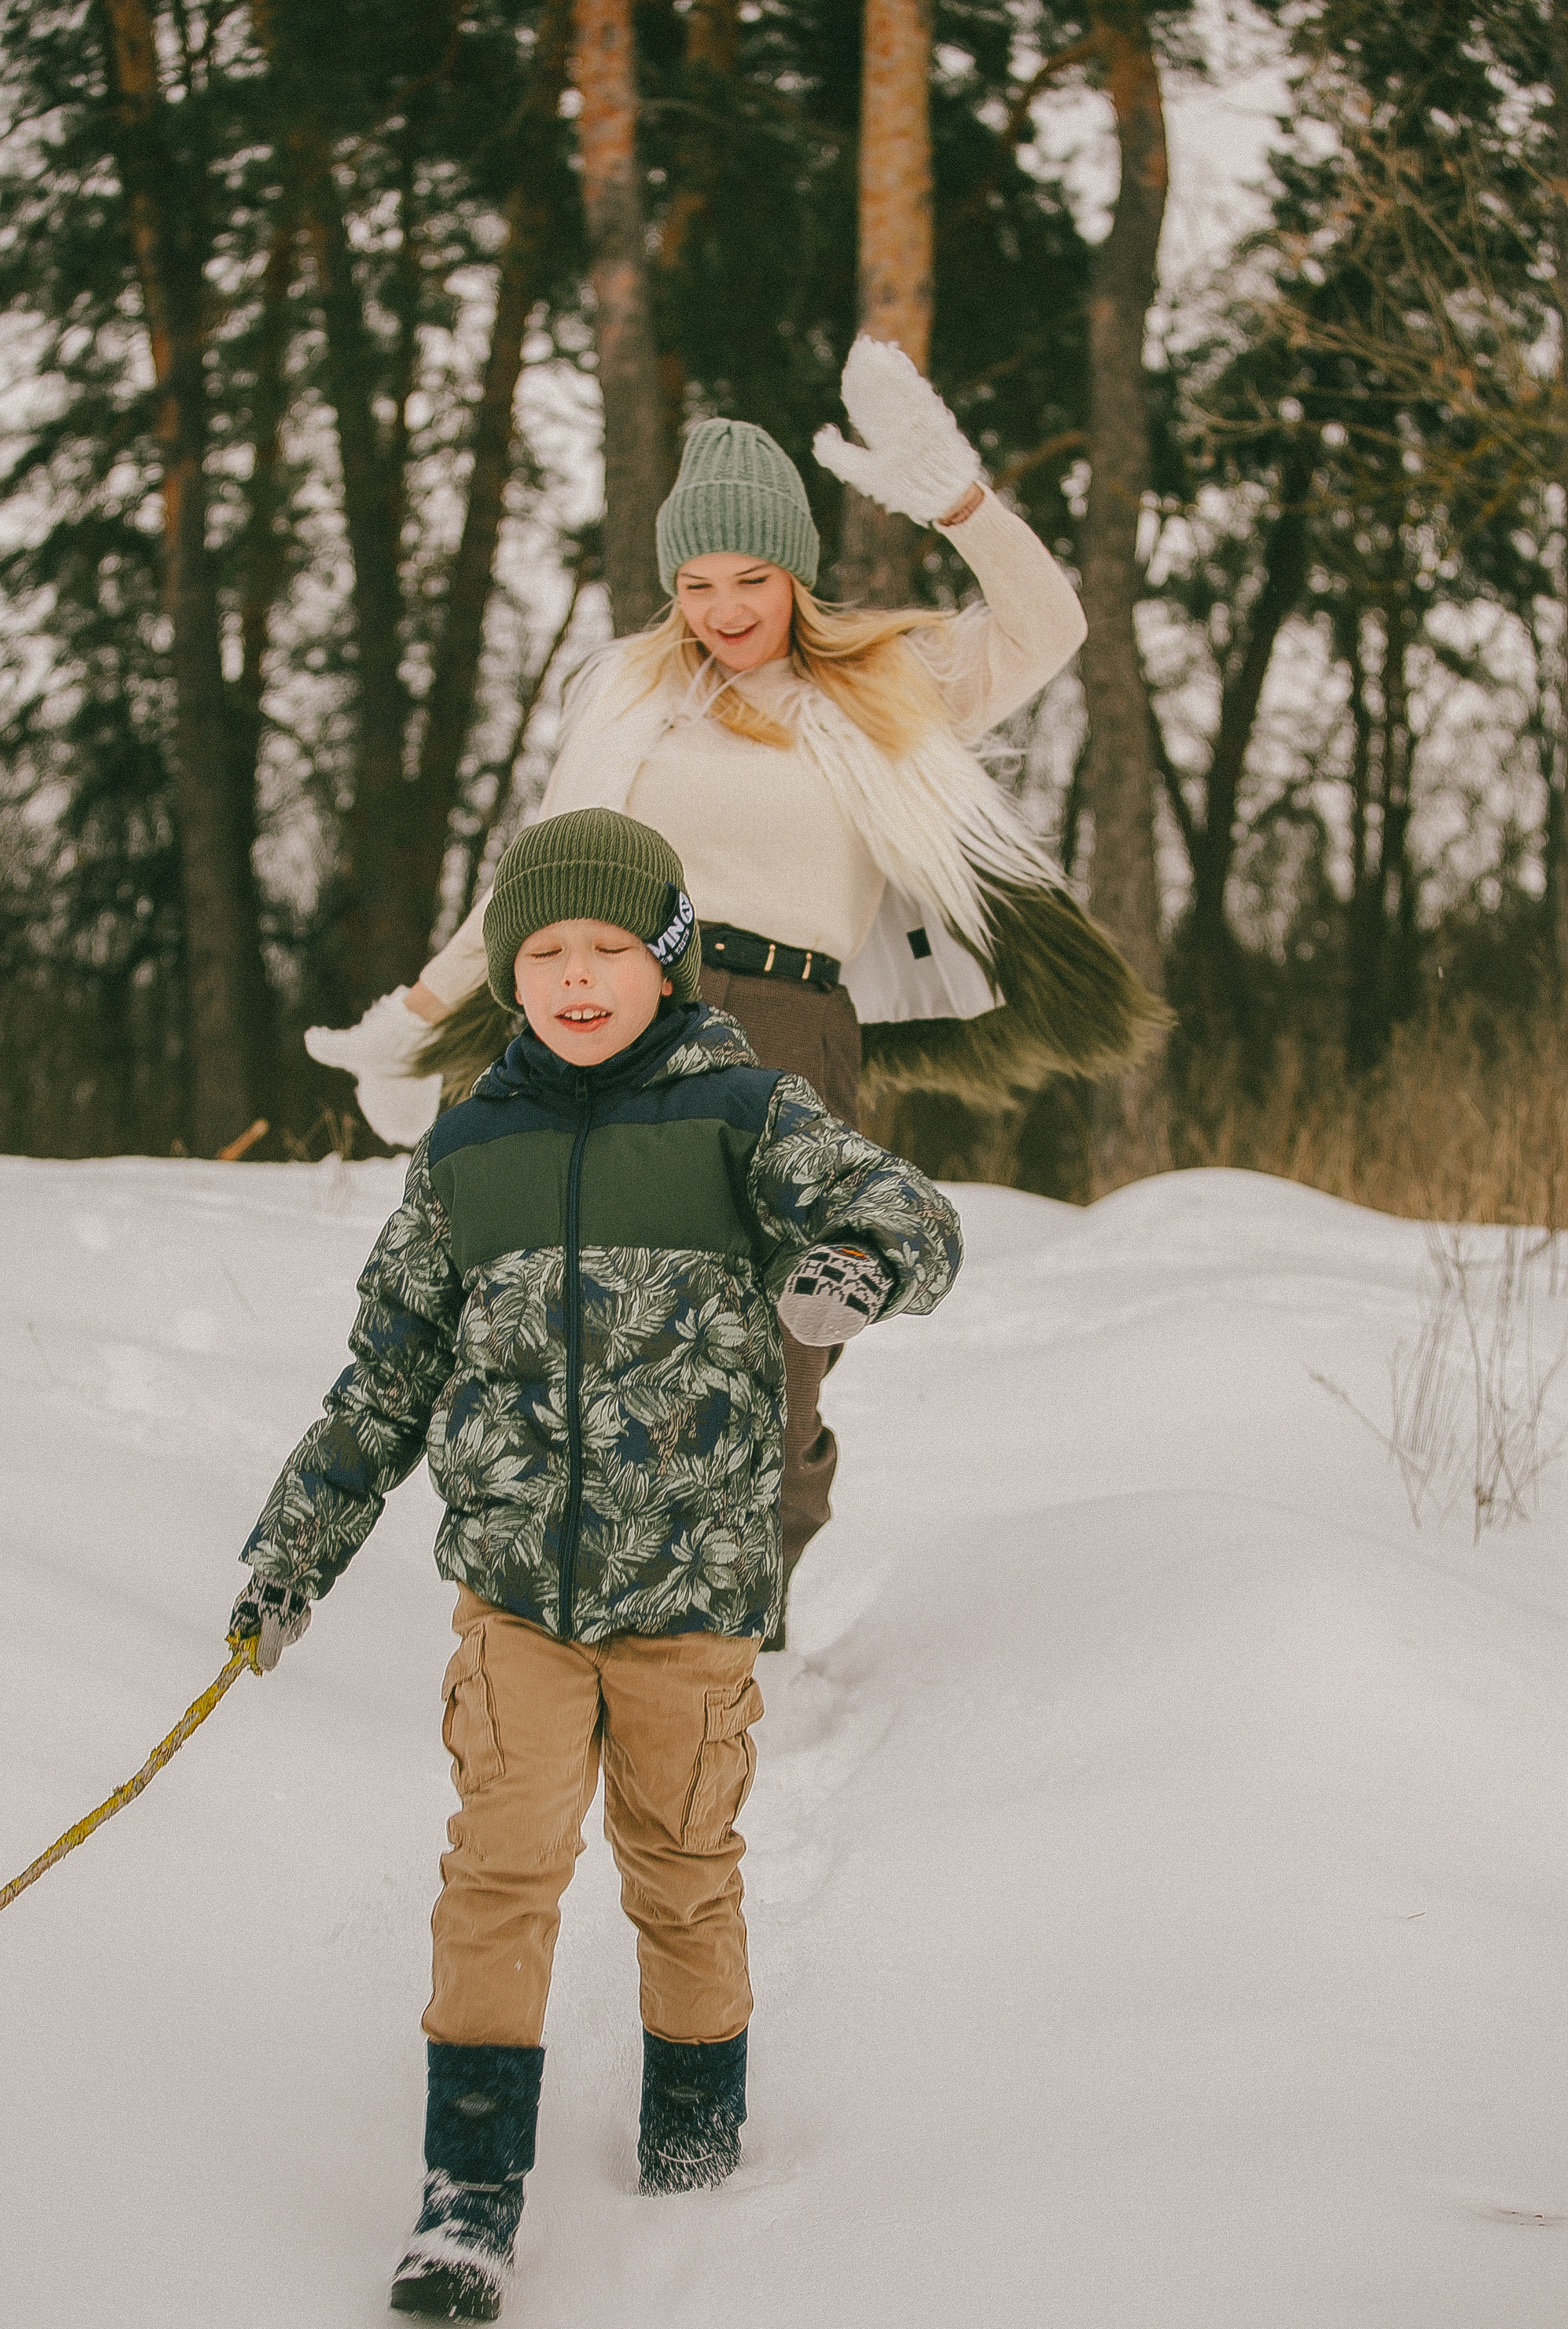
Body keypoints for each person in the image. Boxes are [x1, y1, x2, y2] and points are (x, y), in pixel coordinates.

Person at [306, 337, 1162, 1638]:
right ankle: (592, 1592)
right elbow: (539, 879)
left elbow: (1051, 627)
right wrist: (420, 1017)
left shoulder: (885, 681)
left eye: (748, 576)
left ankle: (755, 1559)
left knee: (778, 1330)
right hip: (632, 1021)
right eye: (693, 581)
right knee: (607, 1311)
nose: (719, 606)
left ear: (794, 571)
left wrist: (955, 498)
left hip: (787, 1039)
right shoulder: (629, 695)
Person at [231, 808, 963, 2326]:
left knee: (681, 1873)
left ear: (667, 961)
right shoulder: (465, 1150)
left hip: (691, 1602)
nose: (575, 978)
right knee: (497, 1870)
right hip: (516, 1599)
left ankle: (695, 2149)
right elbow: (382, 1381)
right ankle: (467, 2192)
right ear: (509, 974)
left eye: (608, 950)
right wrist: (290, 1555)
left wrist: (846, 1272)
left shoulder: (741, 1114)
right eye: (544, 953)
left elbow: (911, 1216)